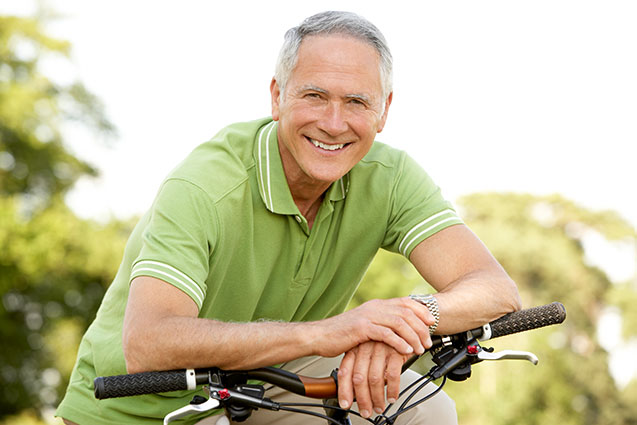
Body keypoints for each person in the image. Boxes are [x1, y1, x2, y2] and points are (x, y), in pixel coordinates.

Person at [56, 11, 521, 425]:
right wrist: (326, 333)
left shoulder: (390, 176)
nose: (334, 123)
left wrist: (403, 322)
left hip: (261, 388)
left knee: (424, 406)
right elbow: (147, 343)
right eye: (315, 96)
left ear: (384, 111)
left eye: (357, 102)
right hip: (133, 408)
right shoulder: (204, 186)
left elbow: (494, 290)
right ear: (277, 97)